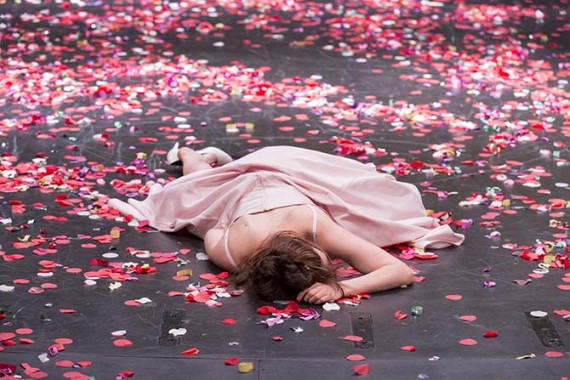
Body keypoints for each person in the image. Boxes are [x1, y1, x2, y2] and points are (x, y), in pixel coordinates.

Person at [109, 145, 464, 304]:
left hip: (282, 170)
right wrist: (344, 289)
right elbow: (397, 271)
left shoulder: (301, 227)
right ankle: (191, 155)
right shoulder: (233, 252)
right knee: (198, 185)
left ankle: (195, 156)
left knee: (197, 189)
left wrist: (343, 288)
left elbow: (212, 229)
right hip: (259, 181)